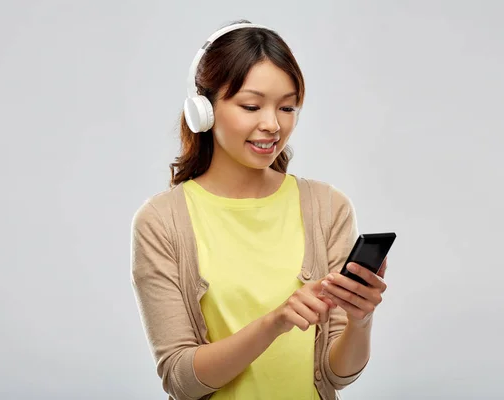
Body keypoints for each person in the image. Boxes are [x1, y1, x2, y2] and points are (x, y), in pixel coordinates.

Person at [131, 19, 388, 400]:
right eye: (251, 106)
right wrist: (274, 322)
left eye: (287, 107)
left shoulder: (328, 208)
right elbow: (180, 379)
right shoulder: (162, 221)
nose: (272, 125)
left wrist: (360, 320)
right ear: (203, 109)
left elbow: (337, 376)